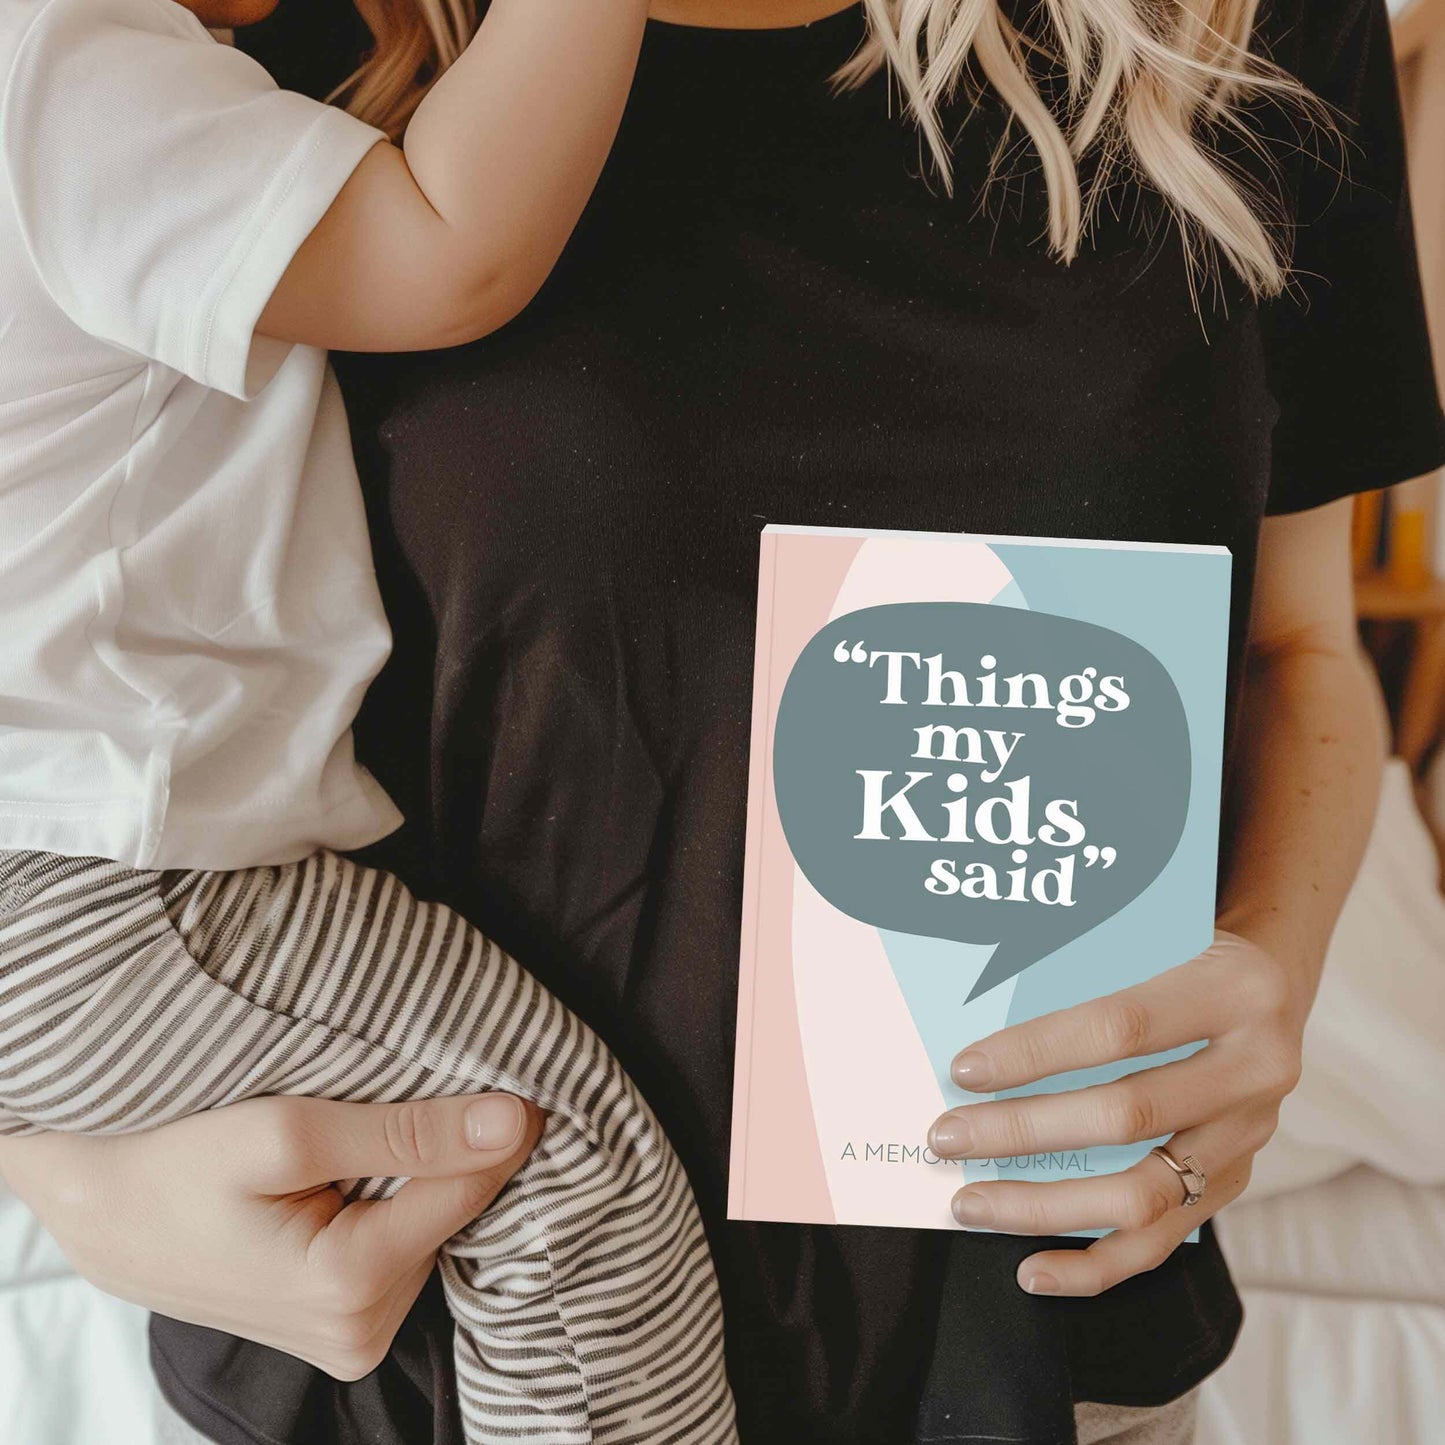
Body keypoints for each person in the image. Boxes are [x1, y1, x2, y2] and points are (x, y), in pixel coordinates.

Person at [5, 0, 1443, 1443]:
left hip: (1034, 1349)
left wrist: (1271, 968)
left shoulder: (1245, 23)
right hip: (431, 1362)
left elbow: (1296, 644)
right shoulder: (267, 20)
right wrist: (65, 1181)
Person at [0, 0, 737, 1441]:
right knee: (558, 1156)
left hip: (62, 876)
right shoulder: (61, 57)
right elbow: (447, 250)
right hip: (101, 881)